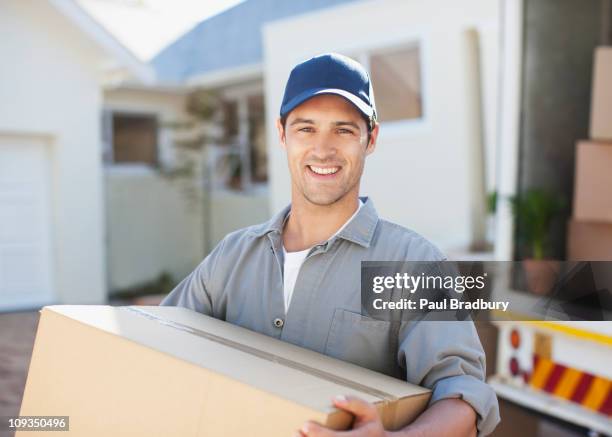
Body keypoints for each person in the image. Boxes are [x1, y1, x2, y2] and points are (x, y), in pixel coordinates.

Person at [160, 53, 500, 436]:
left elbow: (463, 396)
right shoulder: (232, 257)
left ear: (370, 138)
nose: (323, 150)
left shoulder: (411, 264)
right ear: (282, 134)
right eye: (306, 129)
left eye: (343, 130)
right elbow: (159, 344)